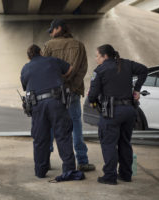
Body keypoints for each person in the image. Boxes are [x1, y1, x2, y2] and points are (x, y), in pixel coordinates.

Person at [88, 44, 148, 185]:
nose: (96, 59)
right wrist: (137, 89)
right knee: (125, 143)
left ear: (105, 56)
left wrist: (94, 98)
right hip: (129, 111)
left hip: (111, 113)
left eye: (97, 56)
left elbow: (92, 97)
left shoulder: (100, 70)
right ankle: (126, 175)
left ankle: (109, 176)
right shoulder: (126, 64)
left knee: (109, 144)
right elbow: (144, 70)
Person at [43, 19, 95, 172]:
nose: (51, 33)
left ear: (59, 28)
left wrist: (55, 85)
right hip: (72, 92)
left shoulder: (48, 46)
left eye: (51, 30)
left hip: (53, 92)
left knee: (51, 126)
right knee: (75, 126)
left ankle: (45, 160)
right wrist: (71, 87)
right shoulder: (78, 45)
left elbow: (44, 68)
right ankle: (82, 161)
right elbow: (82, 69)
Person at [20, 44, 75, 178]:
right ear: (41, 52)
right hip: (56, 101)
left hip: (37, 105)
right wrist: (60, 76)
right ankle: (69, 171)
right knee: (63, 135)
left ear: (29, 57)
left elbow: (25, 85)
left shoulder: (26, 68)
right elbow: (70, 68)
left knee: (40, 139)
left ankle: (40, 171)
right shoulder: (52, 60)